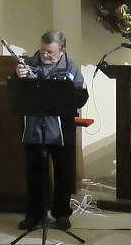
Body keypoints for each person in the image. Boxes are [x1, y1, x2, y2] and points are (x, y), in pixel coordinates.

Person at [16, 30, 88, 232]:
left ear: (62, 50)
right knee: (35, 174)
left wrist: (66, 92)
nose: (45, 56)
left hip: (61, 130)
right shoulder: (28, 64)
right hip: (34, 129)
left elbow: (81, 96)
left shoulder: (71, 67)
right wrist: (18, 77)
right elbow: (15, 93)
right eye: (43, 51)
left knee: (64, 173)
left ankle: (61, 213)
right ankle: (34, 215)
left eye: (51, 52)